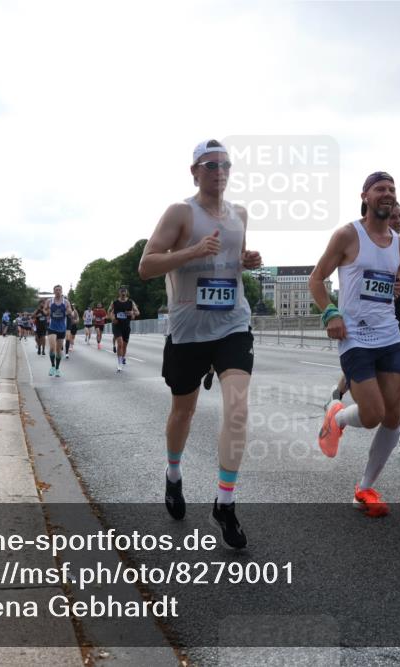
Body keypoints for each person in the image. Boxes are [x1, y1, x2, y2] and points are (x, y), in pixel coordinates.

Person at [138, 139, 262, 549]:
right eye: (210, 165)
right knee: (183, 412)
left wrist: (247, 261)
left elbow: (232, 261)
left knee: (238, 409)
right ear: (194, 172)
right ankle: (173, 473)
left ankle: (224, 503)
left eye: (225, 164)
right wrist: (191, 250)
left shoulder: (240, 214)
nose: (219, 171)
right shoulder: (180, 212)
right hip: (189, 329)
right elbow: (146, 265)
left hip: (232, 323)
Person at [311, 171, 400, 518]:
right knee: (372, 415)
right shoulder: (347, 235)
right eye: (380, 188)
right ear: (365, 196)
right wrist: (330, 313)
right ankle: (338, 418)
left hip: (389, 337)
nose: (388, 193)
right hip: (354, 337)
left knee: (393, 415)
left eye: (392, 189)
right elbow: (316, 279)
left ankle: (364, 488)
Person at [325, 202, 400, 455]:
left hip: (392, 315)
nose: (398, 220)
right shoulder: (358, 240)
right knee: (366, 376)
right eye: (393, 216)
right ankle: (337, 396)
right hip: (360, 323)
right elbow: (356, 281)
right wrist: (332, 314)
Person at [108, 285, 140, 373]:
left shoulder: (130, 302)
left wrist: (132, 312)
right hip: (117, 325)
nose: (123, 293)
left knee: (124, 346)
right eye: (121, 291)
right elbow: (109, 311)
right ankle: (119, 363)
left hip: (126, 326)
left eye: (124, 291)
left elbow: (137, 312)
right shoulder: (114, 302)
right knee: (120, 344)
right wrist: (112, 318)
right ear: (119, 292)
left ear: (126, 292)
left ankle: (122, 358)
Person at [46, 285, 72, 376]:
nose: (58, 291)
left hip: (61, 328)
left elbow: (70, 310)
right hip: (52, 327)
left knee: (58, 350)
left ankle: (57, 369)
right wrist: (48, 313)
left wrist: (67, 311)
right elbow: (45, 310)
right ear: (54, 291)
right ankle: (52, 367)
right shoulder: (49, 301)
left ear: (61, 291)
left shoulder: (66, 302)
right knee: (52, 348)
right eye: (56, 290)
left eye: (59, 290)